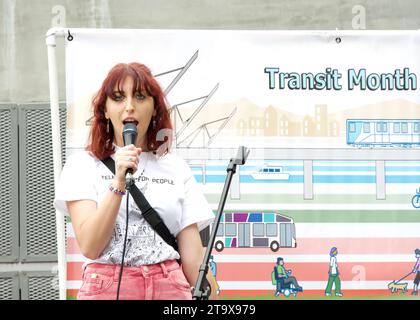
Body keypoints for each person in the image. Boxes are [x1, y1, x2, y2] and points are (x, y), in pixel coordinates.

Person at [54, 62, 217, 300]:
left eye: (140, 97)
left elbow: (193, 258)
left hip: (169, 287)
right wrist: (118, 182)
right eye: (119, 98)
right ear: (105, 111)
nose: (129, 106)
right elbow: (90, 245)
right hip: (107, 286)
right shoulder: (82, 165)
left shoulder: (175, 167)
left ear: (154, 109)